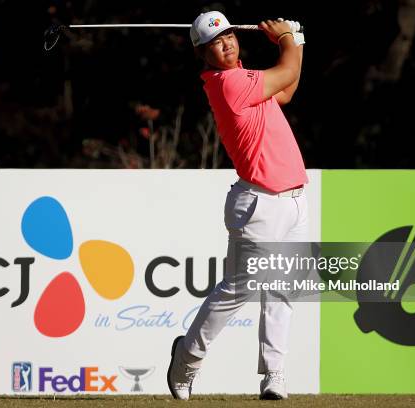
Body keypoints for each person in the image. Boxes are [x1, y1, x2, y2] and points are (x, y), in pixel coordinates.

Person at [167, 11, 308, 400]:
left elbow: (287, 88)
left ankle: (273, 374)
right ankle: (186, 360)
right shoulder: (229, 84)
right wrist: (286, 39)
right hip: (260, 203)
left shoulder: (247, 79)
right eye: (215, 41)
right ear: (203, 53)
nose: (226, 43)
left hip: (293, 199)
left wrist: (297, 40)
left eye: (228, 35)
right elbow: (286, 68)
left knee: (282, 290)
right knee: (237, 292)